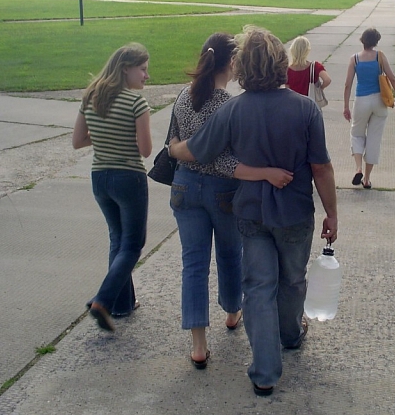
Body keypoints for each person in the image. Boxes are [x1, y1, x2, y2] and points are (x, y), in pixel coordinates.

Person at [169, 25, 338, 397]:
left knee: (258, 287)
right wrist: (332, 213)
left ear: (243, 65)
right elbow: (322, 168)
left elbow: (198, 150)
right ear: (280, 63)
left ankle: (264, 372)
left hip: (251, 214)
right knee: (292, 281)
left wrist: (175, 148)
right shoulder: (306, 109)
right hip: (294, 213)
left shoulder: (234, 110)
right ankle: (291, 335)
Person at [169, 33, 292, 369]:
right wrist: (265, 172)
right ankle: (232, 310)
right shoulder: (226, 104)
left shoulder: (183, 96)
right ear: (233, 62)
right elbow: (224, 162)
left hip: (183, 186)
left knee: (193, 264)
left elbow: (174, 143)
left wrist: (177, 151)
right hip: (220, 190)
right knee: (229, 254)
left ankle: (198, 343)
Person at [72, 42, 153, 332]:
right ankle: (103, 301)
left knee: (117, 239)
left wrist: (106, 135)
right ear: (125, 69)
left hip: (100, 178)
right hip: (128, 177)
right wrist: (125, 133)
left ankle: (122, 304)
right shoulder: (136, 103)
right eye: (142, 70)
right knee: (132, 245)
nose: (146, 76)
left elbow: (78, 141)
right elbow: (145, 150)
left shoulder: (90, 97)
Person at [343, 28, 395, 189]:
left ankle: (358, 168)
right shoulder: (380, 57)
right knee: (374, 139)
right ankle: (367, 179)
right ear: (376, 41)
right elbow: (392, 77)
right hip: (379, 101)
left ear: (362, 40)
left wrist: (346, 106)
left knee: (356, 134)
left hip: (362, 100)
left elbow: (348, 84)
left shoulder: (354, 59)